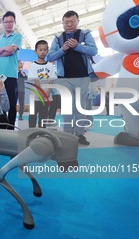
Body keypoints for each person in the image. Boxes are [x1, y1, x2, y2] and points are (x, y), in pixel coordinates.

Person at [47, 10, 97, 145]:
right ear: (62, 23)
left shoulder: (85, 34)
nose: (69, 24)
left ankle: (80, 134)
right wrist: (62, 49)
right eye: (66, 22)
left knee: (80, 107)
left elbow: (94, 50)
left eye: (72, 21)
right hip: (64, 78)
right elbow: (49, 57)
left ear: (78, 21)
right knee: (68, 107)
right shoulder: (58, 38)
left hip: (82, 76)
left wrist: (77, 46)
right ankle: (68, 134)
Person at [0, 11, 22, 129]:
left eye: (11, 21)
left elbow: (11, 51)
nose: (8, 24)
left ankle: (10, 128)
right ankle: (2, 127)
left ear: (15, 23)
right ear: (3, 23)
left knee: (12, 104)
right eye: (6, 22)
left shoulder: (17, 36)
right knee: (0, 102)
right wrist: (4, 48)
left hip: (11, 75)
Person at [28, 40, 57, 128]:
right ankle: (31, 133)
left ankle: (42, 133)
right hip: (35, 96)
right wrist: (41, 93)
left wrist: (48, 92)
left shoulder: (50, 65)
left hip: (47, 96)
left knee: (43, 116)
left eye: (44, 49)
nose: (42, 52)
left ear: (47, 50)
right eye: (40, 50)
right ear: (36, 51)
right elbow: (36, 80)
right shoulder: (33, 65)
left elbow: (52, 79)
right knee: (33, 115)